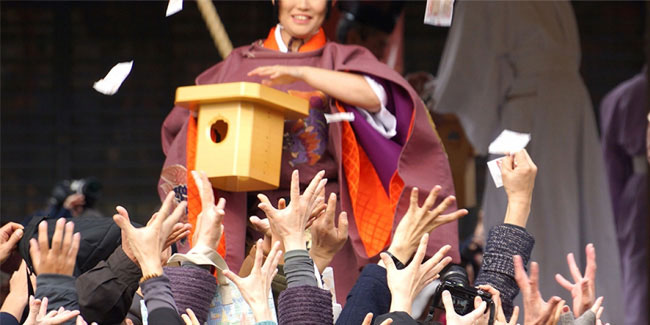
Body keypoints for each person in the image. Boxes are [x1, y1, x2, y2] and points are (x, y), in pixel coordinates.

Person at [159, 0, 457, 303]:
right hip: (258, 226)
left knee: (333, 311)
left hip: (325, 224)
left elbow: (379, 98)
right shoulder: (238, 64)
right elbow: (185, 130)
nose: (303, 5)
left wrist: (305, 72)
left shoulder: (342, 58)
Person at [433, 1, 623, 320]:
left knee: (524, 209)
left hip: (528, 112)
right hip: (567, 107)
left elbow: (467, 70)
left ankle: (531, 312)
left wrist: (434, 94)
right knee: (570, 216)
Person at [599, 66, 648, 325]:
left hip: (637, 196)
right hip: (640, 194)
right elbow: (612, 170)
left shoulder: (620, 97)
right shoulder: (622, 98)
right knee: (639, 277)